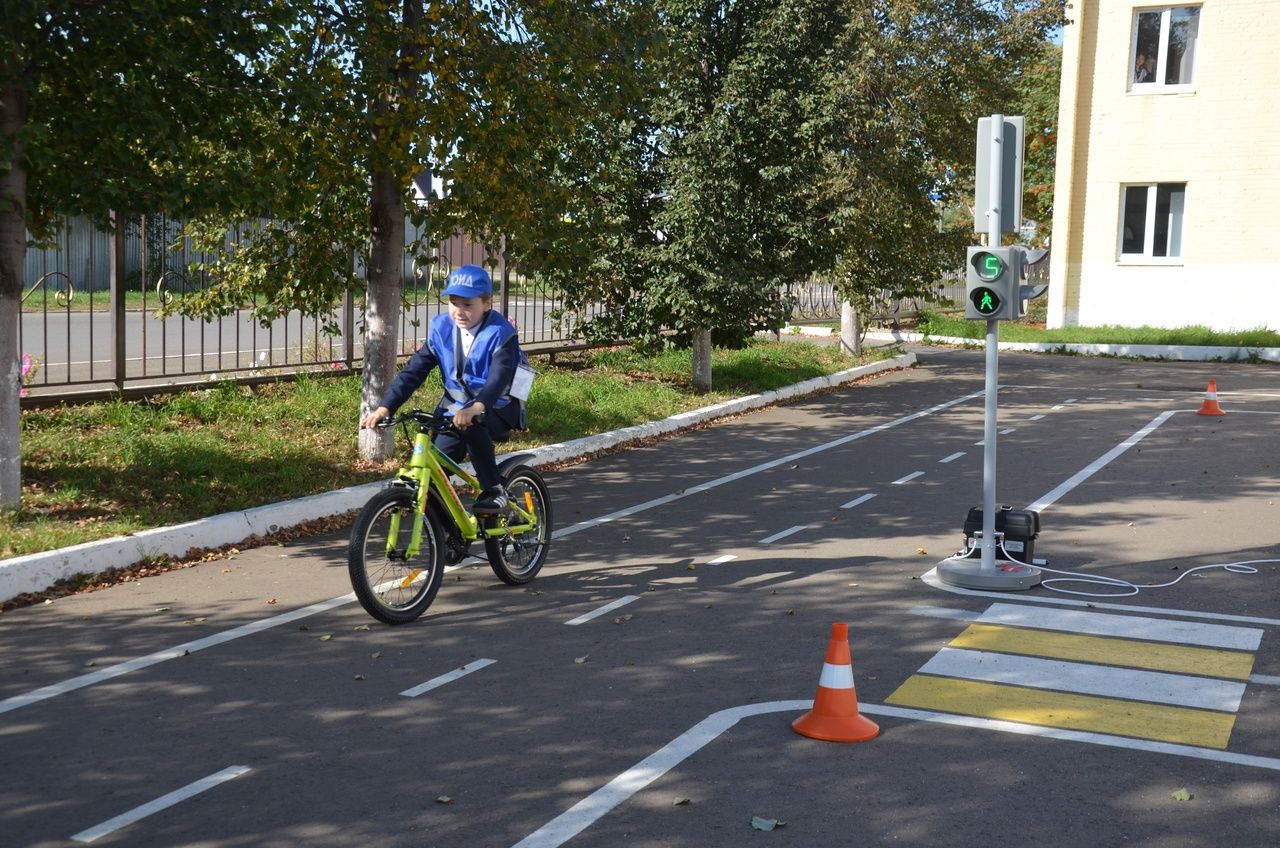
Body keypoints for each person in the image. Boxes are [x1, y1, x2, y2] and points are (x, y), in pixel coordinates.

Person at [360, 264, 524, 514]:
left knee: (473, 423)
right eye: (454, 303)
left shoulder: (501, 333)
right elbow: (414, 371)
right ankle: (448, 542)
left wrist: (477, 408)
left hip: (498, 407)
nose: (459, 311)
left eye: (468, 305)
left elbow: (498, 379)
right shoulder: (441, 330)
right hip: (456, 411)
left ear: (487, 303)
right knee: (435, 475)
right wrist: (385, 407)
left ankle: (494, 490)